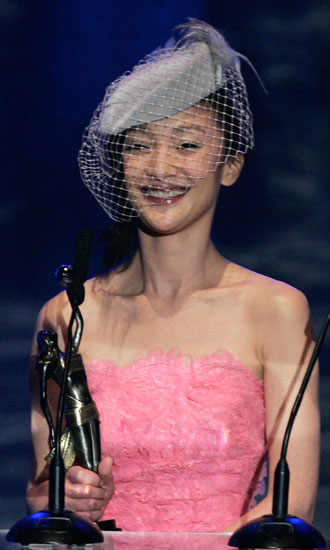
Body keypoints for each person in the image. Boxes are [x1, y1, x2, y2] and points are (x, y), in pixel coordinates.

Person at [26, 19, 320, 533]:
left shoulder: (274, 310)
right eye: (139, 146)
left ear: (230, 166)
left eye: (186, 145)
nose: (161, 168)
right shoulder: (66, 314)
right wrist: (70, 500)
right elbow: (38, 489)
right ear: (118, 164)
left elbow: (289, 511)